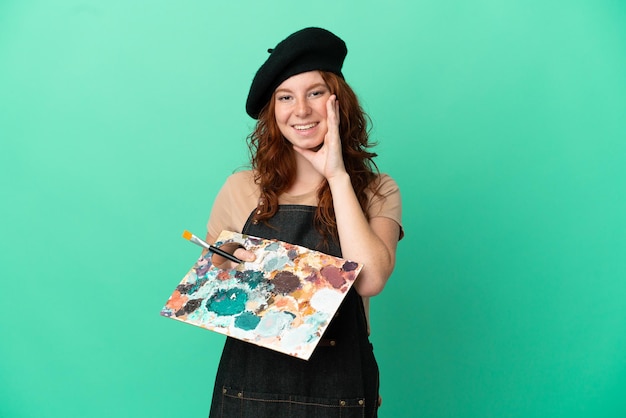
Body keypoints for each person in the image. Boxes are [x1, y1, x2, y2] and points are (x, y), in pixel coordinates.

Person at [204, 27, 403, 418]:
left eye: (314, 93)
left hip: (340, 388)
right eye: (285, 97)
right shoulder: (242, 188)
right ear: (273, 111)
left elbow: (371, 280)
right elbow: (214, 274)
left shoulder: (376, 190)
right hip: (249, 388)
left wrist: (337, 177)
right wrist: (226, 258)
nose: (301, 110)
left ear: (338, 101)